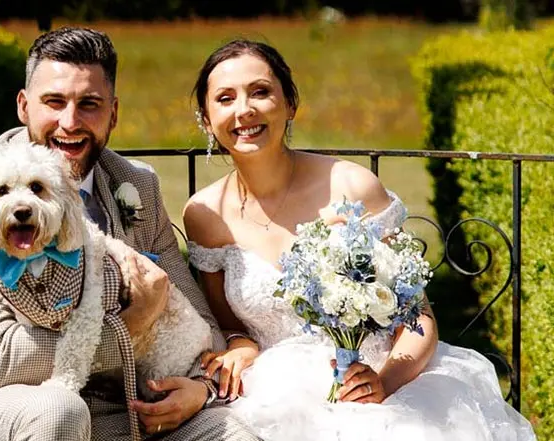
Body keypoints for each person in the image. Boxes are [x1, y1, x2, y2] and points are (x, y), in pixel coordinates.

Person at [183, 39, 537, 441]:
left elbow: (419, 318)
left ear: (290, 103)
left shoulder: (352, 186)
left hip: (383, 385)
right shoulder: (205, 215)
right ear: (208, 120)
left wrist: (385, 382)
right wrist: (240, 346)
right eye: (225, 98)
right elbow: (227, 326)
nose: (244, 110)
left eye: (261, 92)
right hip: (274, 396)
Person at [0, 27, 260, 441]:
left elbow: (198, 318)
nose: (70, 122)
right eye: (54, 102)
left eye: (89, 105)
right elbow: (0, 358)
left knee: (234, 433)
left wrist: (200, 390)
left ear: (113, 113)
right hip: (5, 405)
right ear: (24, 107)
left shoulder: (137, 186)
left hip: (131, 407)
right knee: (59, 411)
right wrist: (134, 323)